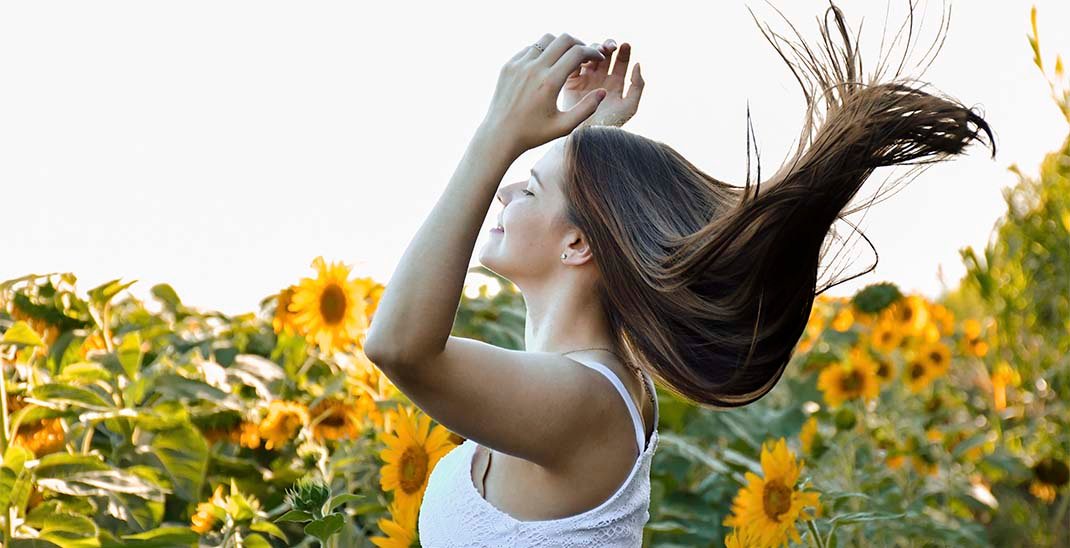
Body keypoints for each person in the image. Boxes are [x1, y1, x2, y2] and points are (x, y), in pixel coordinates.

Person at [364, 1, 995, 545]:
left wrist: (496, 133)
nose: (501, 192)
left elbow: (398, 345)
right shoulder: (579, 387)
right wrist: (592, 139)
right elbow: (584, 217)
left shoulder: (588, 402)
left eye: (527, 188)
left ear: (579, 243)